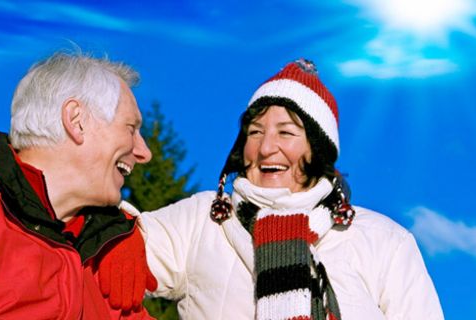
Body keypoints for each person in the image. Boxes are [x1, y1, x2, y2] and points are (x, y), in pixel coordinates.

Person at [101, 59, 444, 319]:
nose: (266, 148)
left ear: (317, 149)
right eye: (254, 132)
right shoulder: (203, 220)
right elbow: (107, 244)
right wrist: (117, 236)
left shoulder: (383, 241)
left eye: (286, 132)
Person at [0, 51, 157, 319]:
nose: (143, 152)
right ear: (76, 121)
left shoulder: (102, 243)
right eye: (131, 129)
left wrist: (121, 230)